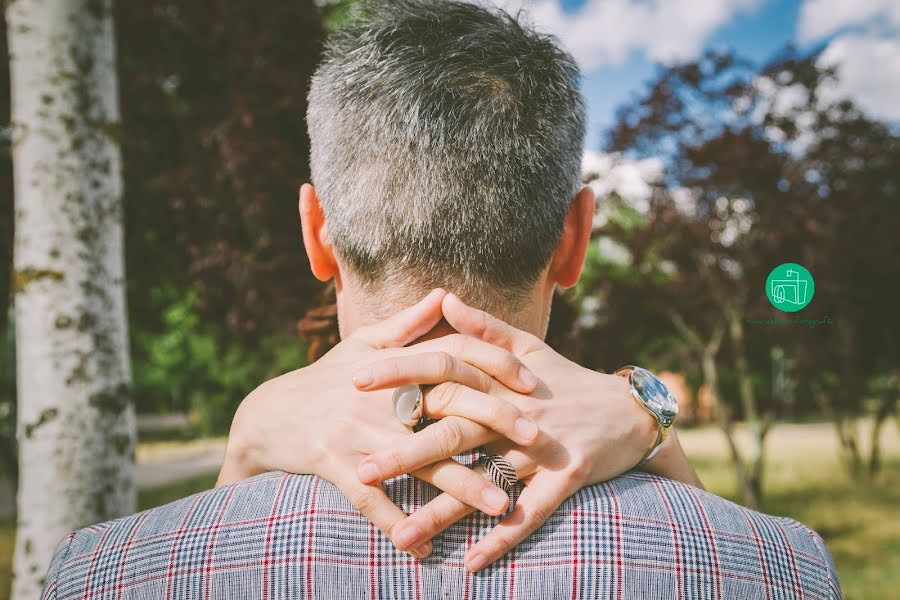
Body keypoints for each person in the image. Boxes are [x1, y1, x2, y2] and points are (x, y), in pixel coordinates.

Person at [42, 1, 841, 598]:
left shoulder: (100, 574)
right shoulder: (784, 569)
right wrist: (648, 409)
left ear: (315, 232)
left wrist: (243, 447)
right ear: (574, 238)